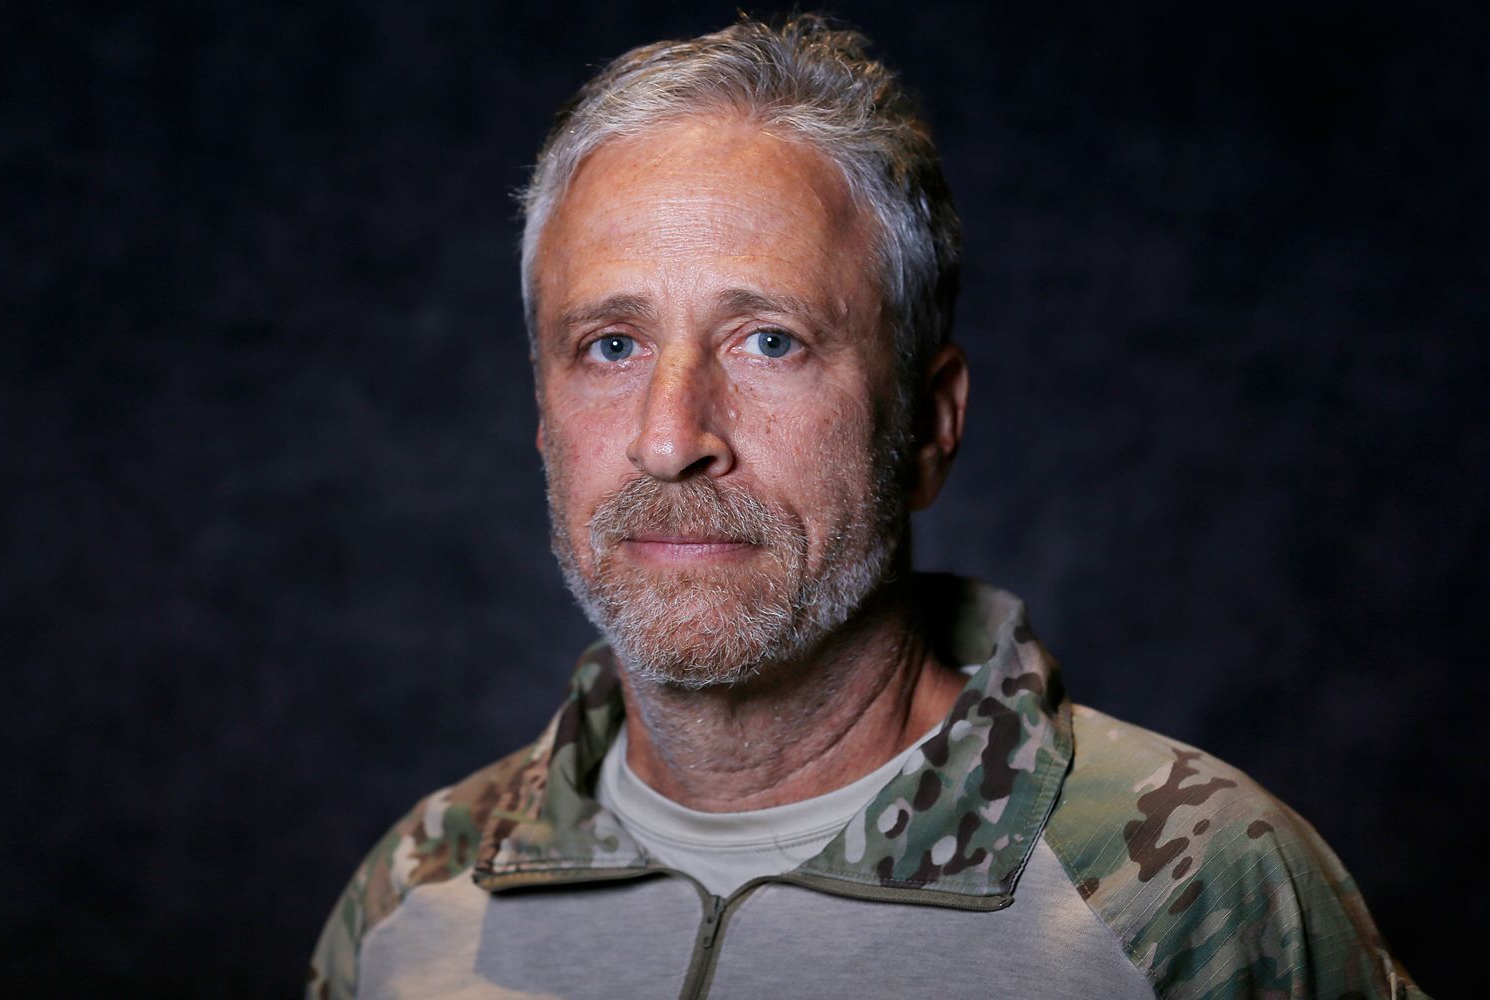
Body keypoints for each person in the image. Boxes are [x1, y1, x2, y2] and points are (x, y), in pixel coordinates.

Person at [308, 15, 1425, 1000]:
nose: (670, 434)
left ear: (930, 424)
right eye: (610, 344)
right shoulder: (416, 899)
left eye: (770, 340)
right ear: (545, 420)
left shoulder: (1187, 890)